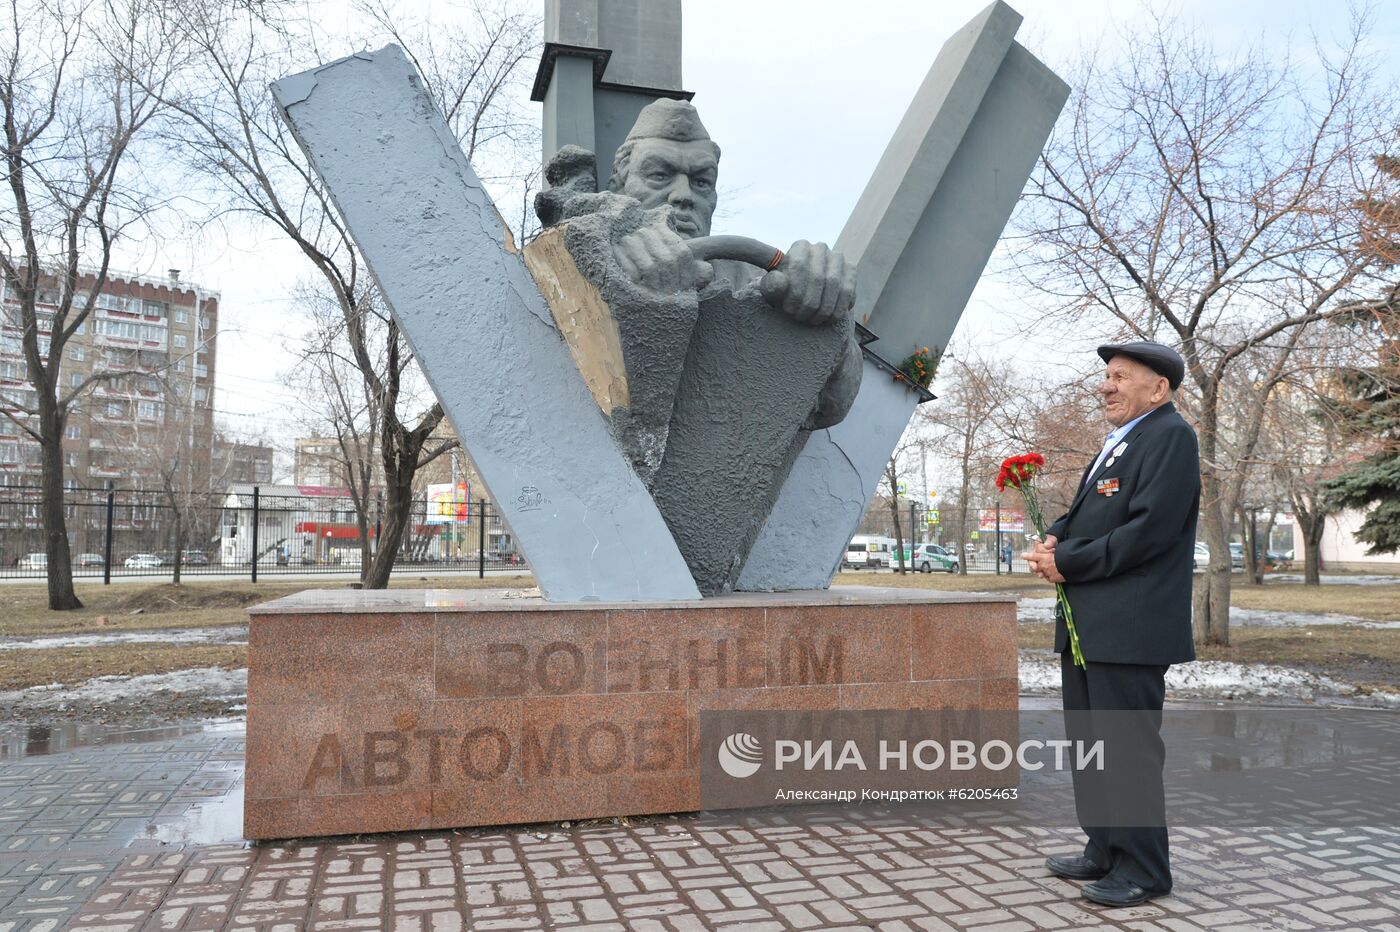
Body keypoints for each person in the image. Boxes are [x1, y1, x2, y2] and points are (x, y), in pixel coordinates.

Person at [1022, 340, 1199, 909]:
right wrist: (1056, 534)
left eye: (1121, 377)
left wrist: (1067, 562)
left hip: (1131, 626)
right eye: (1107, 377)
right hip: (1091, 624)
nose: (1106, 386)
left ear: (1159, 389)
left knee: (1125, 750)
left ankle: (1145, 869)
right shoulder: (1122, 442)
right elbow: (1095, 512)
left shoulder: (1170, 436)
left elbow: (1149, 530)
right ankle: (1104, 848)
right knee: (1092, 746)